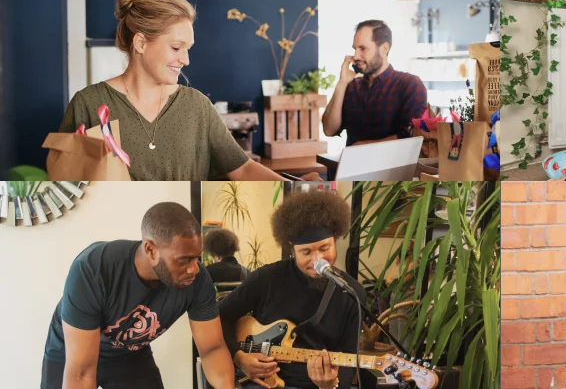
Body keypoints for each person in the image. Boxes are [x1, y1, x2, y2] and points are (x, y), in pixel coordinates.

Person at [58, 0, 319, 181]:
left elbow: (243, 169)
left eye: (188, 48)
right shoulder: (88, 105)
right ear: (140, 43)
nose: (186, 60)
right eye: (176, 47)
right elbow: (61, 184)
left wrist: (293, 187)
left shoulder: (197, 107)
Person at [41, 202, 235, 389]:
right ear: (151, 250)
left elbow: (212, 349)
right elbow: (82, 373)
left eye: (196, 258)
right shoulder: (93, 269)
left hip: (129, 354)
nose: (194, 269)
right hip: (71, 353)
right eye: (184, 260)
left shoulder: (198, 281)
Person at [219, 190, 365, 389]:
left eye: (325, 248)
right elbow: (219, 316)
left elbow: (349, 358)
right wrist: (239, 357)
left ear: (335, 241)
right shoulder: (266, 278)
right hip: (263, 383)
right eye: (306, 252)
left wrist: (330, 385)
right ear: (291, 248)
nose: (317, 261)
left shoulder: (353, 293)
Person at [322, 20, 427, 146]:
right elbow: (329, 130)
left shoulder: (409, 84)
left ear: (384, 48)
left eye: (363, 49)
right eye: (355, 49)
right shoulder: (352, 86)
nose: (356, 56)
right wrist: (341, 83)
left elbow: (411, 136)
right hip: (352, 165)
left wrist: (363, 148)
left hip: (393, 165)